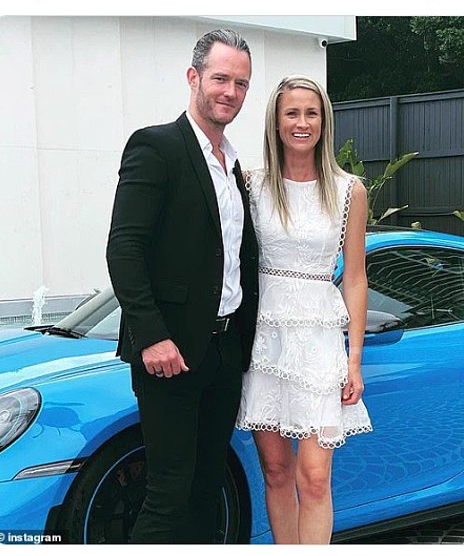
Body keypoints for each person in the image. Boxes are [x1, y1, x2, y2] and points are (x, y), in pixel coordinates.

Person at [106, 29, 259, 543]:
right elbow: (125, 249)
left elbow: (235, 259)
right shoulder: (156, 147)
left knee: (206, 489)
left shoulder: (233, 165)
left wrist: (242, 344)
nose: (230, 92)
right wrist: (151, 335)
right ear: (194, 77)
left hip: (222, 353)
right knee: (168, 493)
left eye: (240, 83)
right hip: (168, 353)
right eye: (220, 78)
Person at [236, 75, 372, 544]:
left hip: (318, 345)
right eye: (291, 113)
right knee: (276, 470)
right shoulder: (251, 185)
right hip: (262, 344)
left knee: (313, 476)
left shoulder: (348, 190)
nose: (301, 122)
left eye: (311, 113)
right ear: (276, 122)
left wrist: (354, 360)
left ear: (324, 121)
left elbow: (354, 277)